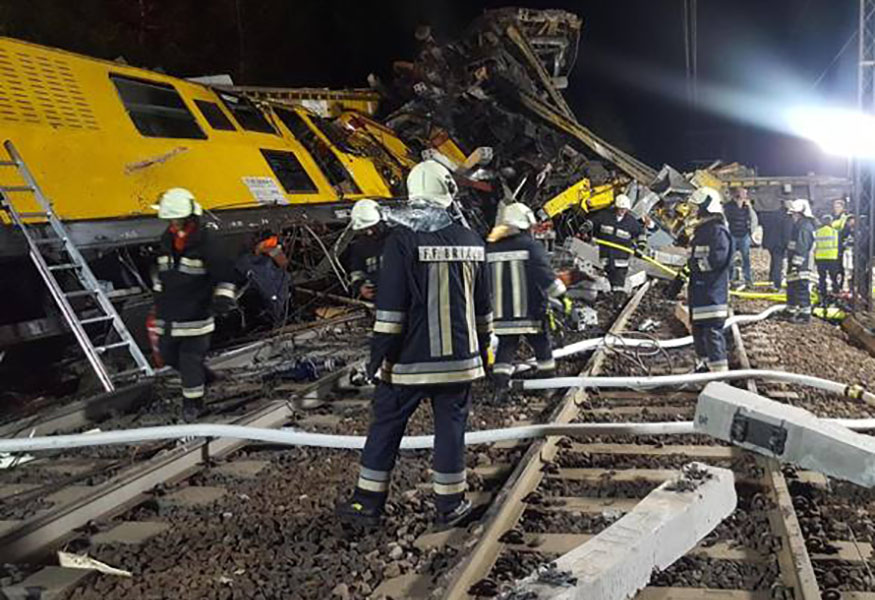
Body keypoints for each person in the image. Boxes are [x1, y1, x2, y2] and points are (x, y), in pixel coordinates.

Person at [337, 160, 493, 529]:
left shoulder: (401, 243)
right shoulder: (472, 241)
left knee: (386, 427)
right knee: (451, 431)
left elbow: (390, 314)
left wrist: (374, 362)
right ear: (448, 194)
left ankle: (368, 505)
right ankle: (450, 505)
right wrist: (483, 351)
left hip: (409, 363)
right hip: (460, 362)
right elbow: (484, 310)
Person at [151, 188, 237, 421]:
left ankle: (193, 405)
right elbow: (161, 273)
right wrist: (158, 299)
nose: (172, 223)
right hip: (170, 315)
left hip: (196, 317)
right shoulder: (166, 240)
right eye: (170, 219)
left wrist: (223, 297)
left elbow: (225, 272)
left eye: (175, 219)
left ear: (189, 217)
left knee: (189, 359)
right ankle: (204, 377)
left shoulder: (207, 241)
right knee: (169, 356)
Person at [486, 202, 569, 403]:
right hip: (530, 312)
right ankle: (547, 386)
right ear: (526, 225)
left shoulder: (490, 248)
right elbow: (546, 278)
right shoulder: (531, 246)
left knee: (505, 349)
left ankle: (500, 390)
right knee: (542, 346)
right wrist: (563, 298)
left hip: (502, 313)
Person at [667, 187, 733, 372]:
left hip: (712, 293)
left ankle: (719, 375)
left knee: (712, 333)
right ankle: (704, 366)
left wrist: (694, 268)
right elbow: (693, 260)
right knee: (699, 331)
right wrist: (679, 281)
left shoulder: (717, 231)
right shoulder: (703, 231)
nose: (694, 211)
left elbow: (717, 260)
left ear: (708, 206)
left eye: (697, 207)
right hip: (700, 292)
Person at [585, 194, 646, 296]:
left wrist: (640, 248)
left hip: (621, 260)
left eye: (624, 209)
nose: (622, 211)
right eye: (620, 208)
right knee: (603, 284)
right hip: (604, 257)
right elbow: (592, 222)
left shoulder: (631, 222)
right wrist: (586, 227)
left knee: (618, 285)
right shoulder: (605, 216)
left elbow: (641, 235)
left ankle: (616, 302)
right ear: (616, 207)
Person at [347, 199, 386, 300]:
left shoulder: (398, 239)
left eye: (372, 227)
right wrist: (360, 286)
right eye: (364, 229)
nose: (369, 232)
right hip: (379, 300)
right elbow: (357, 271)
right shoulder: (361, 245)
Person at [786, 199, 816, 323]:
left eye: (794, 214)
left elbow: (802, 247)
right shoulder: (799, 226)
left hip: (801, 263)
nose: (792, 216)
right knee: (792, 286)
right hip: (795, 262)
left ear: (801, 213)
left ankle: (805, 315)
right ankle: (791, 310)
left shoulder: (804, 227)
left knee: (801, 287)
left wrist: (796, 264)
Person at [723, 188, 758, 289]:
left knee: (746, 258)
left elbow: (753, 219)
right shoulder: (728, 206)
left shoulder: (747, 207)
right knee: (730, 258)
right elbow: (724, 220)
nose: (745, 194)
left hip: (744, 235)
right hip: (732, 235)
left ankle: (748, 280)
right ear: (737, 194)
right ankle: (731, 280)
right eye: (743, 192)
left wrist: (751, 232)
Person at [760, 203, 793, 291]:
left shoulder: (773, 214)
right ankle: (776, 284)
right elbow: (787, 233)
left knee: (774, 262)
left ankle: (771, 280)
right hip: (780, 244)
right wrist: (787, 245)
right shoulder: (787, 218)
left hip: (770, 243)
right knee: (778, 264)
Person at [814, 213, 841, 305]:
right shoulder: (835, 232)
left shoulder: (818, 232)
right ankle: (836, 292)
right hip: (832, 257)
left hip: (820, 257)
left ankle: (823, 293)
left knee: (822, 278)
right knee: (834, 277)